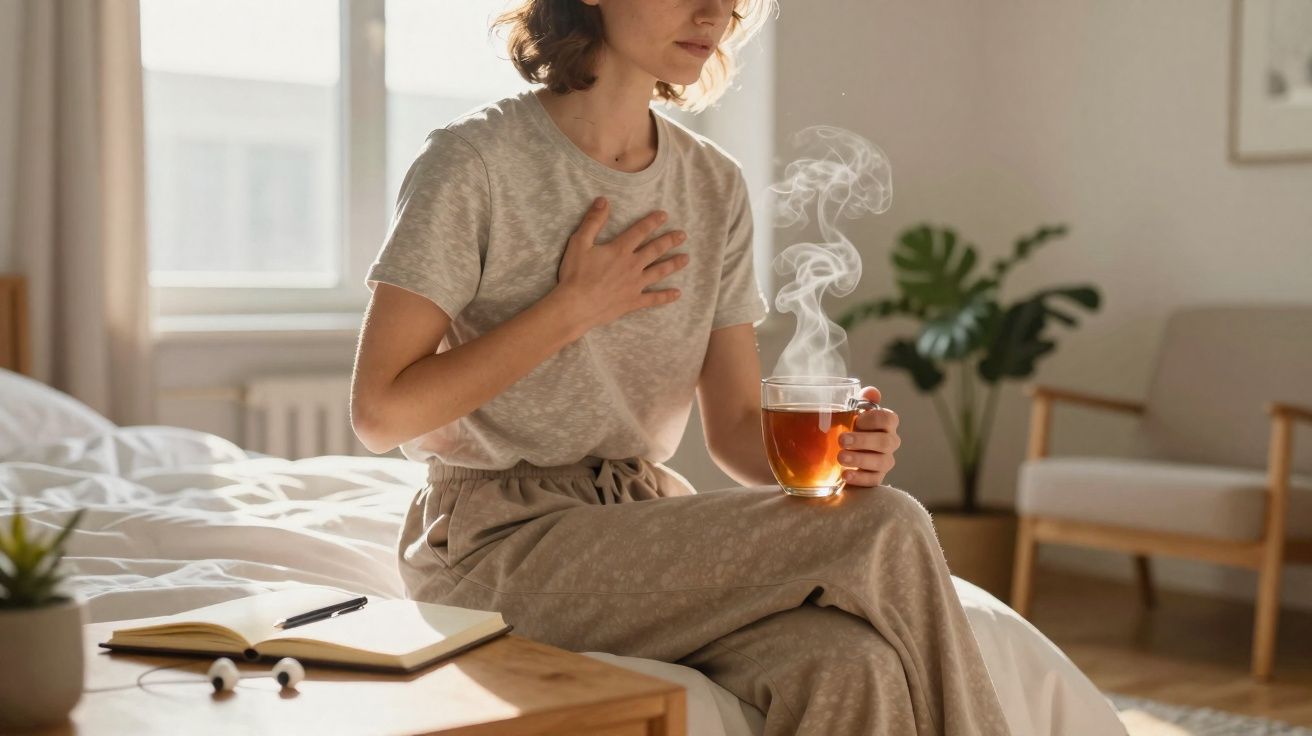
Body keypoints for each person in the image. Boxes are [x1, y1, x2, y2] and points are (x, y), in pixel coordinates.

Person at [349, 1, 1010, 733]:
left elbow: (733, 429)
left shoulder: (713, 185)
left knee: (852, 665)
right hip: (494, 542)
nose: (715, 13)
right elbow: (381, 413)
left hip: (641, 520)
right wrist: (571, 308)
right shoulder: (474, 160)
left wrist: (835, 459)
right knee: (886, 524)